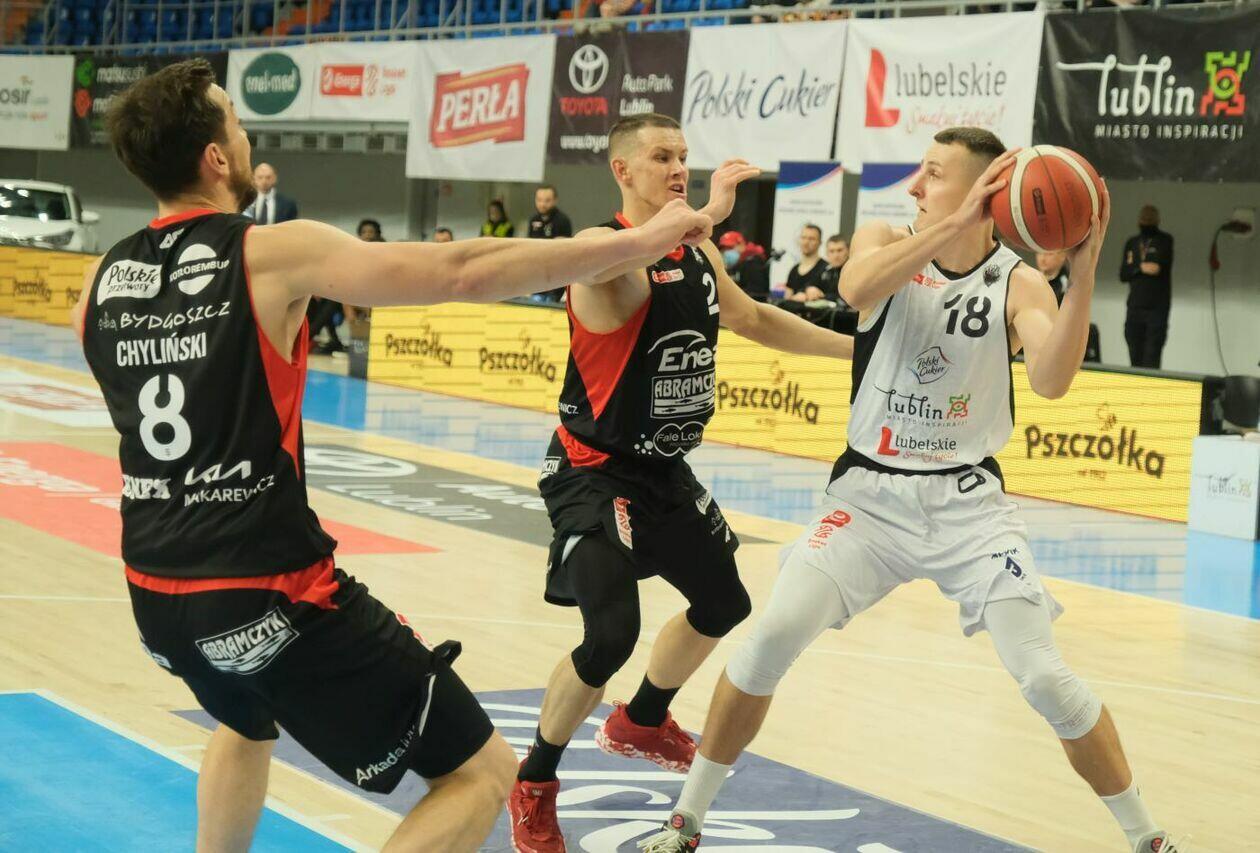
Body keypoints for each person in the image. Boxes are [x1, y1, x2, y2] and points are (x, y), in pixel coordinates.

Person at [74, 59, 712, 853]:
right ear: (215, 156)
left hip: (154, 592)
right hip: (268, 586)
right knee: (482, 773)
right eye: (234, 121)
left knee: (245, 717)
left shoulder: (100, 282)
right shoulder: (270, 251)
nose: (244, 135)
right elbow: (459, 270)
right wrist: (644, 239)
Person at [643, 128, 1182, 853]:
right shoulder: (882, 240)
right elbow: (855, 289)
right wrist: (954, 226)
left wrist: (1081, 276)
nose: (915, 187)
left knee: (1045, 678)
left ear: (983, 188)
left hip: (969, 508)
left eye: (932, 174)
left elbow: (1052, 381)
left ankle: (1148, 837)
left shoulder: (1019, 281)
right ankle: (686, 821)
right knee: (770, 637)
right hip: (867, 501)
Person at [507, 113, 854, 853]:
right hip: (592, 472)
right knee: (609, 636)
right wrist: (705, 216)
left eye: (684, 157)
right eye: (661, 156)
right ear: (622, 171)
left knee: (724, 602)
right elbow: (619, 262)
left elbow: (754, 318)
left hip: (662, 470)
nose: (677, 169)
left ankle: (641, 719)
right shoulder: (602, 252)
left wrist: (859, 353)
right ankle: (534, 781)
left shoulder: (695, 252)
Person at [1118, 205, 1173, 369]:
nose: (1147, 221)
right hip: (1135, 307)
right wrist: (1142, 267)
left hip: (1157, 309)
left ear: (1157, 220)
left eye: (1150, 218)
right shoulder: (1132, 243)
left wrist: (1135, 267)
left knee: (1152, 355)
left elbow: (1157, 268)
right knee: (1134, 352)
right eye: (1144, 218)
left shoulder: (1165, 241)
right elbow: (1123, 274)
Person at [717, 230, 770, 302]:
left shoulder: (752, 262)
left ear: (741, 245)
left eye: (730, 248)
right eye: (723, 249)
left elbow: (756, 292)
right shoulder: (734, 264)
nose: (726, 252)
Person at [783, 223, 826, 302]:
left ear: (820, 242)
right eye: (803, 238)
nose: (806, 242)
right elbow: (787, 299)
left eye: (811, 239)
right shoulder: (794, 270)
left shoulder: (826, 269)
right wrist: (794, 299)